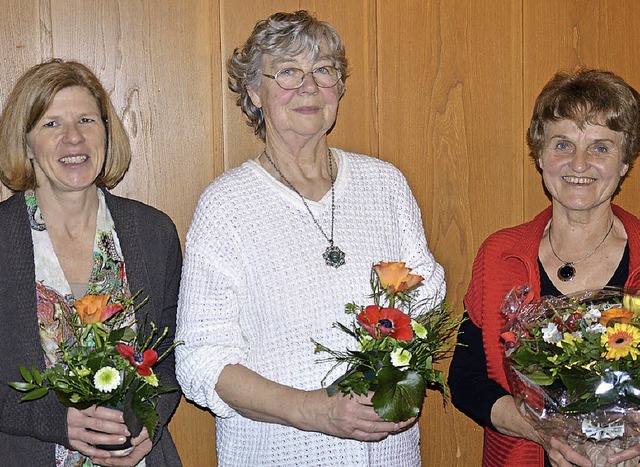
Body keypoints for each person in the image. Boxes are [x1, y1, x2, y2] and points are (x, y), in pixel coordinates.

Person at [175, 10, 445, 466]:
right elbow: (201, 360)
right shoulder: (226, 206)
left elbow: (426, 303)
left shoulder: (385, 185)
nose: (309, 86)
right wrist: (316, 411)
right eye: (287, 72)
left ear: (339, 88)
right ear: (255, 93)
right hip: (277, 454)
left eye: (323, 70)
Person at [448, 68, 640, 467]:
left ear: (625, 162)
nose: (580, 164)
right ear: (540, 154)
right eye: (563, 144)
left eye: (601, 148)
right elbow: (466, 381)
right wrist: (543, 431)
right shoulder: (500, 255)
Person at [0, 59, 182, 466]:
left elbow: (172, 356)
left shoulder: (152, 233)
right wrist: (55, 419)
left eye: (86, 119)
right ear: (26, 142)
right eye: (51, 124)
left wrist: (148, 422)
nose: (74, 138)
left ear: (105, 131)